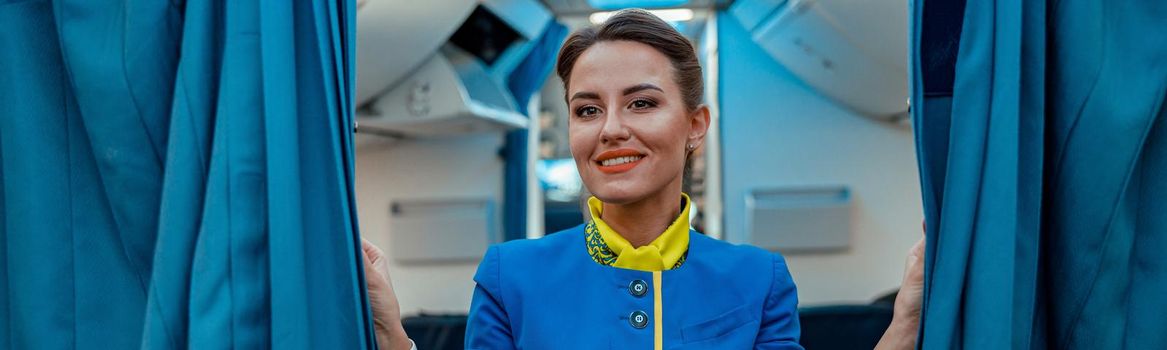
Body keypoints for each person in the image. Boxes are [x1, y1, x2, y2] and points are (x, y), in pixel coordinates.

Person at [362, 9, 925, 349]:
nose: (610, 130)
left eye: (641, 103)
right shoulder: (511, 277)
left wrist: (905, 324)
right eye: (586, 110)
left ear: (695, 126)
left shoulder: (757, 280)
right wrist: (392, 336)